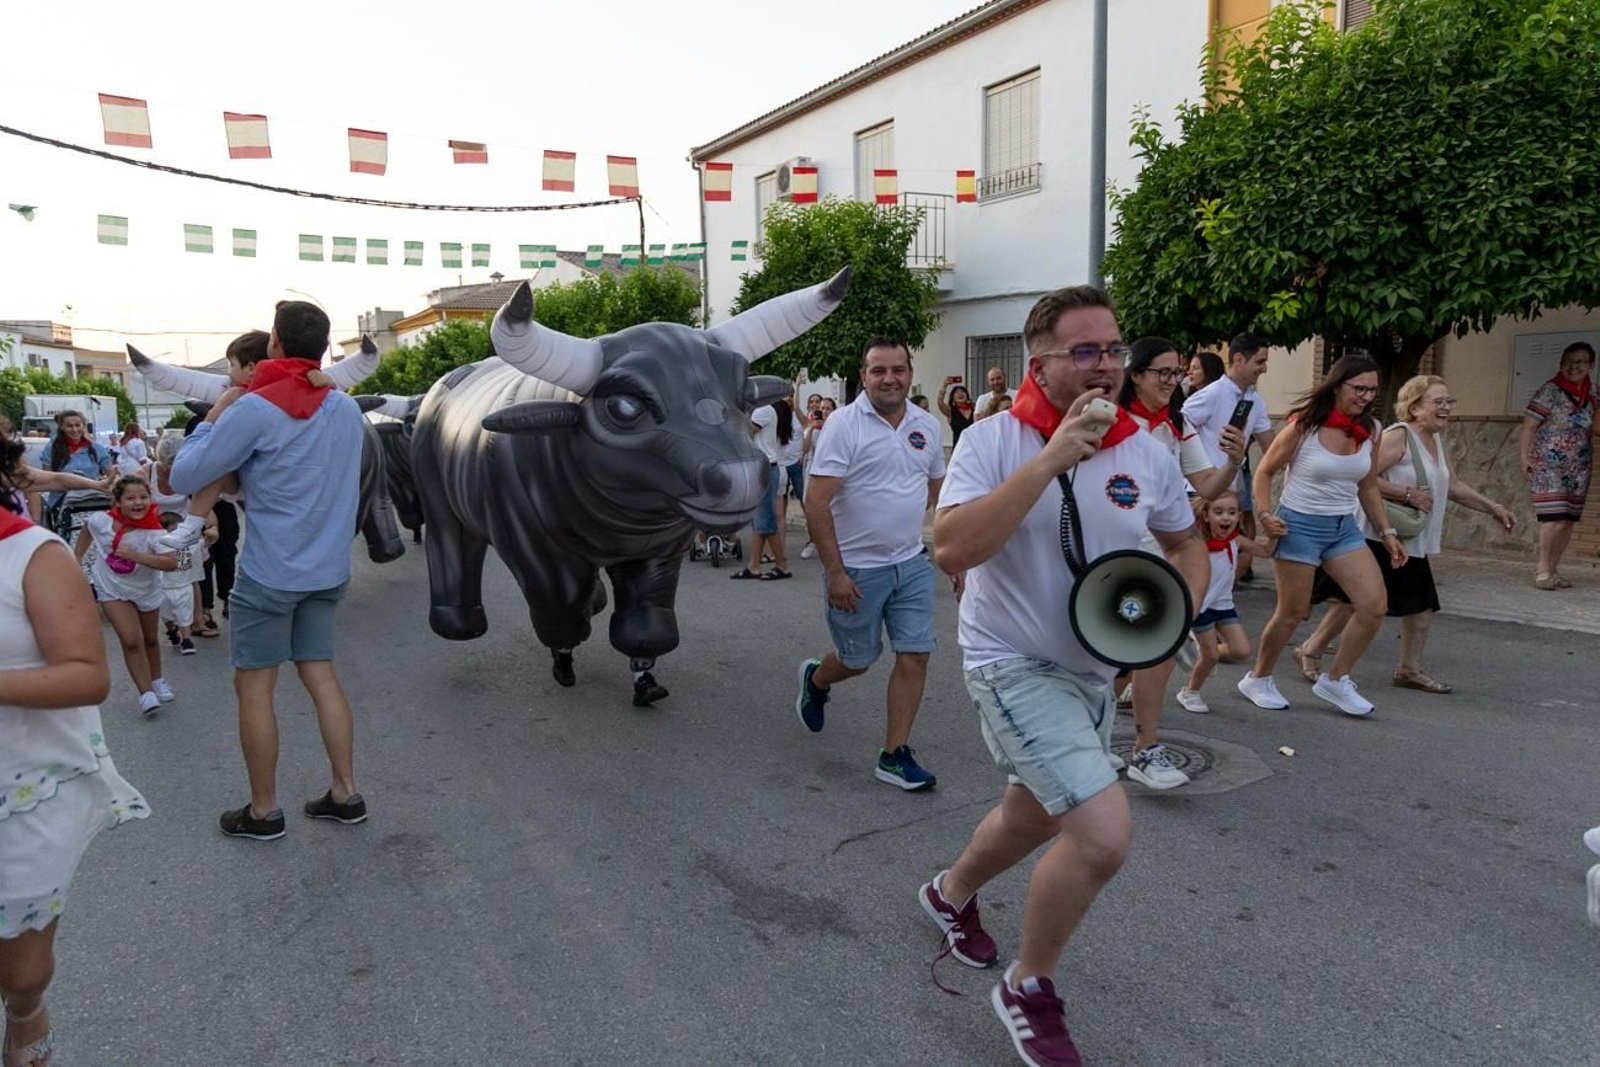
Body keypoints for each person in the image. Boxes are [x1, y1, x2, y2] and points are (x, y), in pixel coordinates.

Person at [924, 286, 1208, 1066]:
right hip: (1010, 661)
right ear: (1039, 361)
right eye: (1086, 351)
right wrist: (1052, 458)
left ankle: (947, 894)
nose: (1107, 366)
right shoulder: (992, 442)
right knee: (1102, 834)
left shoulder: (1146, 448)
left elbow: (1185, 544)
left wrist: (1172, 611)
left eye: (1114, 350)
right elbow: (949, 549)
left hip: (1094, 670)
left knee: (1035, 815)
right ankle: (1028, 986)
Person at [171, 301, 368, 841]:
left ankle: (263, 811)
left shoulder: (255, 410)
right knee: (321, 675)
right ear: (324, 348)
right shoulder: (346, 409)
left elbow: (187, 474)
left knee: (255, 689)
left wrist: (212, 419)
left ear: (275, 343)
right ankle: (345, 792)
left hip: (270, 573)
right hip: (327, 570)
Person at [0, 433, 149, 1067]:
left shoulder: (31, 553)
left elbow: (87, 675)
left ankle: (26, 1015)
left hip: (21, 789)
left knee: (22, 973)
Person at [1294, 376, 1517, 694]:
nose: (1446, 408)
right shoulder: (1399, 436)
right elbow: (1364, 477)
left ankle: (1408, 669)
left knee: (1419, 606)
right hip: (1379, 533)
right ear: (1414, 407)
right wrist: (1407, 494)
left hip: (1411, 539)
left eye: (1448, 402)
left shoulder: (1436, 441)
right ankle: (1311, 650)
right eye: (1437, 401)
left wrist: (1493, 507)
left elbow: (1452, 486)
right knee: (1353, 602)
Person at [795, 337, 947, 790]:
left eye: (897, 369)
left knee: (916, 653)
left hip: (912, 563)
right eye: (879, 370)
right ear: (864, 376)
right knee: (857, 660)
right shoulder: (844, 425)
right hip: (857, 570)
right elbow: (816, 502)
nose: (889, 379)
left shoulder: (926, 424)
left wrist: (958, 561)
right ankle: (818, 679)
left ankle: (894, 754)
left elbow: (945, 495)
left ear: (909, 372)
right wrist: (836, 573)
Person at [1113, 337, 1249, 788]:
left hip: (1160, 557)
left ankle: (1144, 749)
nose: (1173, 382)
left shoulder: (1176, 424)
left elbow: (1208, 486)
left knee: (1158, 651)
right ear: (1135, 375)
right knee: (1109, 661)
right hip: (1107, 561)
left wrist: (1234, 461)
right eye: (1163, 373)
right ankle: (1092, 742)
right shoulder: (1109, 421)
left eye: (1178, 374)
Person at [1240, 356, 1407, 717]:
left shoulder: (1373, 430)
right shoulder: (1305, 427)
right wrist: (1265, 514)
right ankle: (1258, 677)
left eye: (1372, 390)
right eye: (1358, 388)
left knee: (1374, 604)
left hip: (1342, 527)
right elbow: (1265, 471)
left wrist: (1387, 532)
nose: (1365, 396)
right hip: (1297, 524)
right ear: (1336, 386)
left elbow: (1367, 486)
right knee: (1293, 612)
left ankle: (1335, 680)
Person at [73, 474, 182, 717]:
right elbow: (86, 529)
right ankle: (146, 693)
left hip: (146, 589)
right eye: (130, 498)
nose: (138, 502)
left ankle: (157, 679)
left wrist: (136, 556)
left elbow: (172, 563)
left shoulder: (155, 531)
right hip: (111, 588)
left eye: (143, 497)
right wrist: (77, 557)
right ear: (117, 502)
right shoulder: (102, 521)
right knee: (132, 640)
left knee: (150, 640)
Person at [1182, 334, 1277, 569]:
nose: (1264, 369)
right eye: (1260, 362)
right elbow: (1177, 427)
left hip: (1229, 496)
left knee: (1231, 560)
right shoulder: (1213, 393)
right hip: (1198, 495)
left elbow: (1271, 447)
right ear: (1238, 359)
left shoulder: (1255, 401)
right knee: (1196, 565)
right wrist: (1198, 466)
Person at [1175, 490, 1274, 713]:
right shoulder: (1196, 545)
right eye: (1218, 512)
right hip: (1201, 608)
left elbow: (1266, 551)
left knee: (1241, 651)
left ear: (1239, 516)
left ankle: (1197, 650)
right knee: (1210, 657)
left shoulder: (1235, 540)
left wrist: (1274, 534)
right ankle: (1189, 692)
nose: (1226, 518)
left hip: (1223, 604)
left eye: (1231, 512)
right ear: (1206, 515)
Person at [1519, 341, 1597, 590]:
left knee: (1568, 519)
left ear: (1591, 366)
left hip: (1580, 466)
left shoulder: (1594, 393)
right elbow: (1529, 426)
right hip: (1547, 464)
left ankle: (1553, 570)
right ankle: (1542, 569)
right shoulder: (1549, 391)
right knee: (1552, 518)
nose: (1573, 366)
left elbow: (1595, 427)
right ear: (1561, 364)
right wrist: (1524, 458)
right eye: (1568, 361)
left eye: (1580, 362)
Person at [733, 397, 803, 581]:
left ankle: (782, 565)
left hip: (764, 468)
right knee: (759, 521)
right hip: (762, 467)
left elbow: (744, 433)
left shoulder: (762, 410)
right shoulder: (760, 410)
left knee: (766, 520)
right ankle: (753, 566)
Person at [42, 411, 111, 517]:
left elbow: (112, 475)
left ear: (83, 425)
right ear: (61, 427)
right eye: (69, 426)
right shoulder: (51, 449)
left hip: (92, 503)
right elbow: (47, 478)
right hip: (62, 504)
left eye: (78, 425)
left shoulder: (97, 448)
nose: (74, 430)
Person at [937, 379, 976, 448]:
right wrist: (945, 385)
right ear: (953, 398)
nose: (960, 394)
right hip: (959, 448)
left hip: (974, 446)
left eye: (963, 392)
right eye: (957, 393)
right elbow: (940, 402)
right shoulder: (950, 411)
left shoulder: (975, 409)